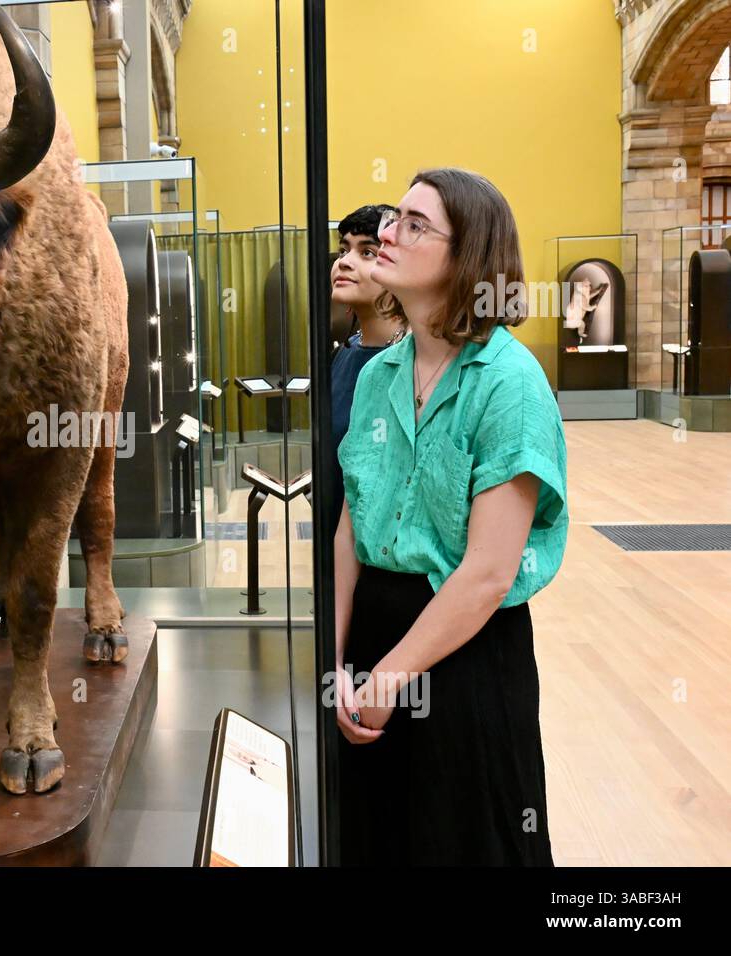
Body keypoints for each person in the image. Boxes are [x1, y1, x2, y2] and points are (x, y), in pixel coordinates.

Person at [332, 168, 569, 865]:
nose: (385, 233)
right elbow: (352, 527)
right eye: (391, 218)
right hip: (371, 640)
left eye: (413, 223)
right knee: (375, 836)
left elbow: (490, 573)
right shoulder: (379, 373)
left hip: (464, 656)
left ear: (467, 255)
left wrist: (387, 679)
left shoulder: (510, 383)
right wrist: (340, 661)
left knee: (464, 838)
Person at [330, 204, 406, 517]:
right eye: (343, 249)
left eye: (367, 252)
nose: (344, 263)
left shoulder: (411, 361)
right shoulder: (344, 352)